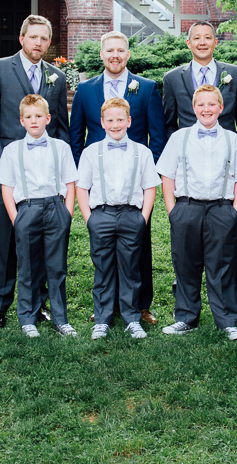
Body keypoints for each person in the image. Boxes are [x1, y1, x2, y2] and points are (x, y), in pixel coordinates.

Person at [0, 14, 70, 328]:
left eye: (44, 39)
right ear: (22, 38)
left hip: (46, 172)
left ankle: (39, 303)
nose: (39, 44)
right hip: (12, 168)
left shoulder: (57, 76)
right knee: (6, 237)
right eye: (33, 37)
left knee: (44, 239)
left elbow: (60, 126)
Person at [69, 30, 165, 324]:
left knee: (139, 242)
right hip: (98, 181)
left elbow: (157, 138)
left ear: (128, 54)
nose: (114, 55)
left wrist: (150, 178)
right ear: (101, 54)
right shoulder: (85, 90)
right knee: (103, 248)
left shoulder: (146, 88)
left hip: (134, 181)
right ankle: (106, 306)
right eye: (109, 50)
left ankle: (140, 305)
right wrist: (79, 181)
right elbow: (76, 137)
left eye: (120, 50)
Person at [161, 21, 237, 314]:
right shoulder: (173, 78)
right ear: (188, 43)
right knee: (185, 244)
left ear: (216, 42)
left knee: (229, 242)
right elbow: (167, 125)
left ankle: (232, 301)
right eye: (196, 38)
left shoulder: (234, 75)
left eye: (207, 37)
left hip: (223, 175)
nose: (202, 42)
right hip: (189, 175)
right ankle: (186, 301)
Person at [157, 85, 237, 341]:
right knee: (186, 264)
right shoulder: (179, 138)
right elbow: (167, 176)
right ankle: (186, 317)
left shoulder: (233, 140)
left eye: (212, 104)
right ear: (193, 108)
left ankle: (227, 321)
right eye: (201, 104)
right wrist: (173, 211)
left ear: (221, 108)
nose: (206, 109)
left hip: (221, 209)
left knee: (221, 265)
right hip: (187, 207)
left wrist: (234, 212)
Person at [0, 94, 79, 338]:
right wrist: (15, 218)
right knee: (28, 267)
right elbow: (6, 187)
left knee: (57, 267)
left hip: (55, 208)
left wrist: (67, 214)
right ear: (21, 121)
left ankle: (60, 319)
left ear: (48, 119)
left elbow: (70, 183)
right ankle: (27, 318)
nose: (34, 121)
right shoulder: (12, 150)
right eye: (29, 117)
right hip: (26, 209)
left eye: (38, 116)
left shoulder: (61, 148)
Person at [76, 97, 161, 340]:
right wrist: (89, 218)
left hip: (131, 215)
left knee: (131, 269)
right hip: (101, 214)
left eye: (120, 120)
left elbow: (149, 187)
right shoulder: (91, 152)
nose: (116, 125)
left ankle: (132, 318)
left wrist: (143, 218)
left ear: (129, 121)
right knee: (102, 267)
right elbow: (82, 187)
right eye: (110, 120)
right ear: (102, 123)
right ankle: (102, 319)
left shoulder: (141, 152)